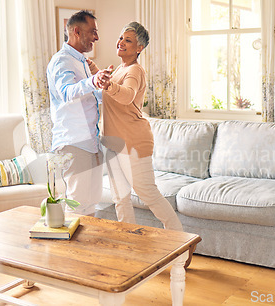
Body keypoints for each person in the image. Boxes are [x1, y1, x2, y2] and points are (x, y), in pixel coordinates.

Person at [91, 22, 183, 231]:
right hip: (113, 143)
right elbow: (111, 92)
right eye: (121, 37)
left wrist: (109, 85)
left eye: (128, 40)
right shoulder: (119, 70)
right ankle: (130, 244)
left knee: (147, 192)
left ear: (139, 48)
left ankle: (181, 243)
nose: (121, 42)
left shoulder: (135, 71)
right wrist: (95, 71)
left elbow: (127, 95)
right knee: (120, 198)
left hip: (133, 142)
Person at [46, 10, 111, 216]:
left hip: (91, 142)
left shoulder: (82, 62)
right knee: (77, 203)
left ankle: (88, 248)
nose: (97, 37)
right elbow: (66, 93)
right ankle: (69, 249)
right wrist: (93, 81)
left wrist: (102, 87)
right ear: (76, 31)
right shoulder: (62, 61)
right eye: (93, 31)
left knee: (91, 203)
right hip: (74, 143)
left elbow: (88, 97)